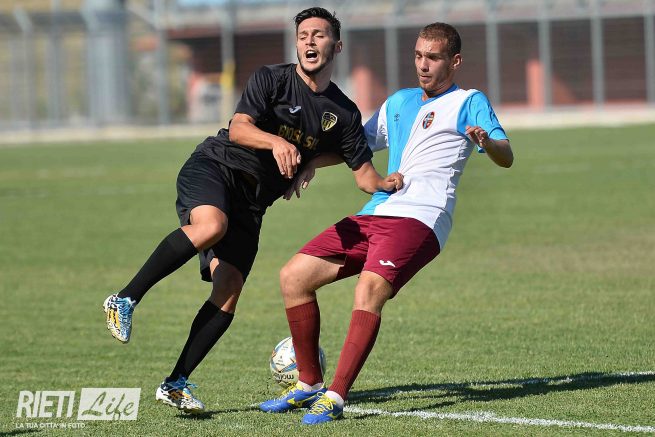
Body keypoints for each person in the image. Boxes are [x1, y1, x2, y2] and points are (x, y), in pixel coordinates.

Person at [102, 7, 402, 413]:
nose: (309, 41)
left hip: (253, 203)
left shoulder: (344, 113)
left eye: (319, 35)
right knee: (211, 225)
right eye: (303, 35)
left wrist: (384, 181)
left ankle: (175, 383)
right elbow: (240, 127)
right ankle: (124, 299)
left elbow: (363, 174)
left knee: (228, 290)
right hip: (217, 167)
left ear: (337, 46)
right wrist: (277, 143)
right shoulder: (272, 79)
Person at [258, 22, 514, 425]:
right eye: (418, 56)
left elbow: (506, 154)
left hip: (421, 217)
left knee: (369, 289)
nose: (423, 65)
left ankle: (335, 396)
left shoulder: (469, 101)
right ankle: (308, 383)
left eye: (433, 58)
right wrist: (311, 162)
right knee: (294, 277)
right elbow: (355, 145)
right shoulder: (398, 102)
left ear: (455, 61)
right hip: (376, 211)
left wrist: (487, 142)